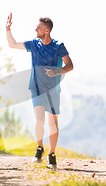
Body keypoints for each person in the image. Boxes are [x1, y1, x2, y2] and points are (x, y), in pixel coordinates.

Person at [5, 13, 73, 169]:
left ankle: (52, 154)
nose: (36, 29)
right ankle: (40, 148)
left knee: (53, 123)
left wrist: (56, 72)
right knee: (40, 120)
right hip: (36, 88)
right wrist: (8, 29)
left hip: (53, 90)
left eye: (39, 27)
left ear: (47, 31)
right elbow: (12, 44)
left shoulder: (58, 46)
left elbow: (70, 66)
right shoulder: (34, 44)